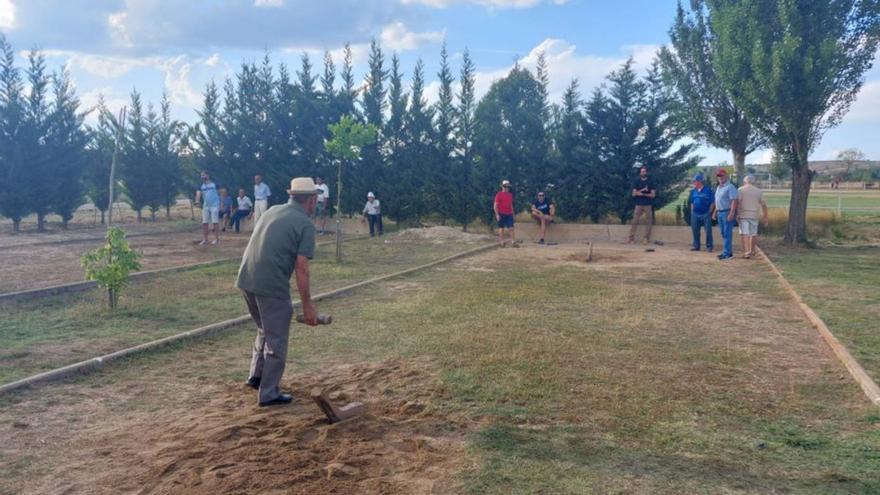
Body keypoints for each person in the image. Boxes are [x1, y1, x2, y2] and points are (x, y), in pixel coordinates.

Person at [235, 177, 320, 407]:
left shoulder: (273, 210)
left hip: (246, 279)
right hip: (270, 285)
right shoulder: (305, 224)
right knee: (277, 338)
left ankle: (256, 377)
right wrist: (308, 307)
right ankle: (269, 393)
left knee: (264, 328)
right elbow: (302, 268)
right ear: (312, 200)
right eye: (316, 199)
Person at [737, 175, 769, 259]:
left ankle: (746, 252)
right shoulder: (758, 191)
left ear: (745, 181)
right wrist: (765, 216)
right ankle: (752, 250)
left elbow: (739, 202)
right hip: (754, 215)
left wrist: (738, 213)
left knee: (745, 233)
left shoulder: (740, 190)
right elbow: (764, 205)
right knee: (753, 233)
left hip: (744, 214)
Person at [712, 169, 738, 260]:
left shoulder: (730, 187)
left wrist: (732, 213)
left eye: (722, 176)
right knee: (723, 233)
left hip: (727, 212)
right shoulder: (718, 187)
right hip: (720, 213)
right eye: (719, 176)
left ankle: (727, 254)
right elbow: (717, 201)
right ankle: (728, 251)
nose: (720, 178)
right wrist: (715, 212)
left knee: (727, 233)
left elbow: (734, 200)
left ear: (726, 176)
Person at [627, 165, 656, 244]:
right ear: (640, 172)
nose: (643, 173)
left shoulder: (650, 182)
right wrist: (637, 193)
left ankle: (646, 238)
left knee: (649, 221)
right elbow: (633, 194)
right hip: (638, 204)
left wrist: (643, 194)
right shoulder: (637, 181)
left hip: (648, 204)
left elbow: (653, 195)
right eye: (641, 171)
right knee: (634, 221)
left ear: (646, 172)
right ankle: (631, 238)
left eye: (644, 171)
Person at [688, 173, 714, 252]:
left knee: (708, 231)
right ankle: (696, 246)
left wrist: (709, 212)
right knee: (695, 230)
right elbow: (691, 202)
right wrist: (692, 211)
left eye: (695, 181)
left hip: (705, 213)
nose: (693, 183)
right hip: (695, 214)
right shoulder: (693, 191)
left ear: (700, 182)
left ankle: (709, 246)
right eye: (693, 181)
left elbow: (712, 202)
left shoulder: (708, 190)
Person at [194, 171, 221, 245]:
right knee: (204, 222)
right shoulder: (201, 185)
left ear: (208, 175)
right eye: (201, 175)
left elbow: (220, 193)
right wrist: (197, 201)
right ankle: (205, 239)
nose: (202, 177)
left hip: (215, 205)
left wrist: (221, 203)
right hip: (206, 206)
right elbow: (198, 193)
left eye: (203, 175)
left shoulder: (214, 184)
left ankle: (217, 239)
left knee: (215, 222)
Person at [494, 180, 517, 247]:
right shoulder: (499, 194)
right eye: (505, 186)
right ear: (502, 187)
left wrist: (513, 213)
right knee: (501, 228)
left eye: (507, 187)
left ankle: (513, 242)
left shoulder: (510, 195)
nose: (506, 188)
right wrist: (497, 214)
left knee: (511, 228)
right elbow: (495, 205)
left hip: (509, 213)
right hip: (501, 213)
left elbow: (511, 205)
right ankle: (502, 242)